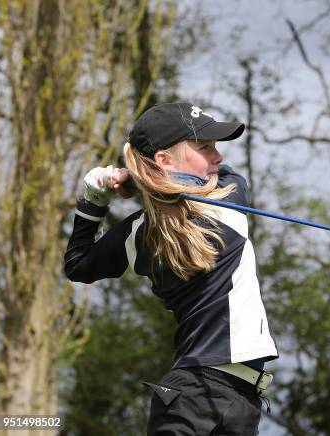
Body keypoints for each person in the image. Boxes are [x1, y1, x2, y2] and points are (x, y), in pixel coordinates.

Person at [65, 101, 278, 435]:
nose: (218, 157)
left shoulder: (139, 232)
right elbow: (230, 175)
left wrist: (95, 199)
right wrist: (142, 182)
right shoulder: (228, 203)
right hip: (199, 394)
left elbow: (78, 264)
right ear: (164, 160)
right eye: (204, 147)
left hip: (229, 400)